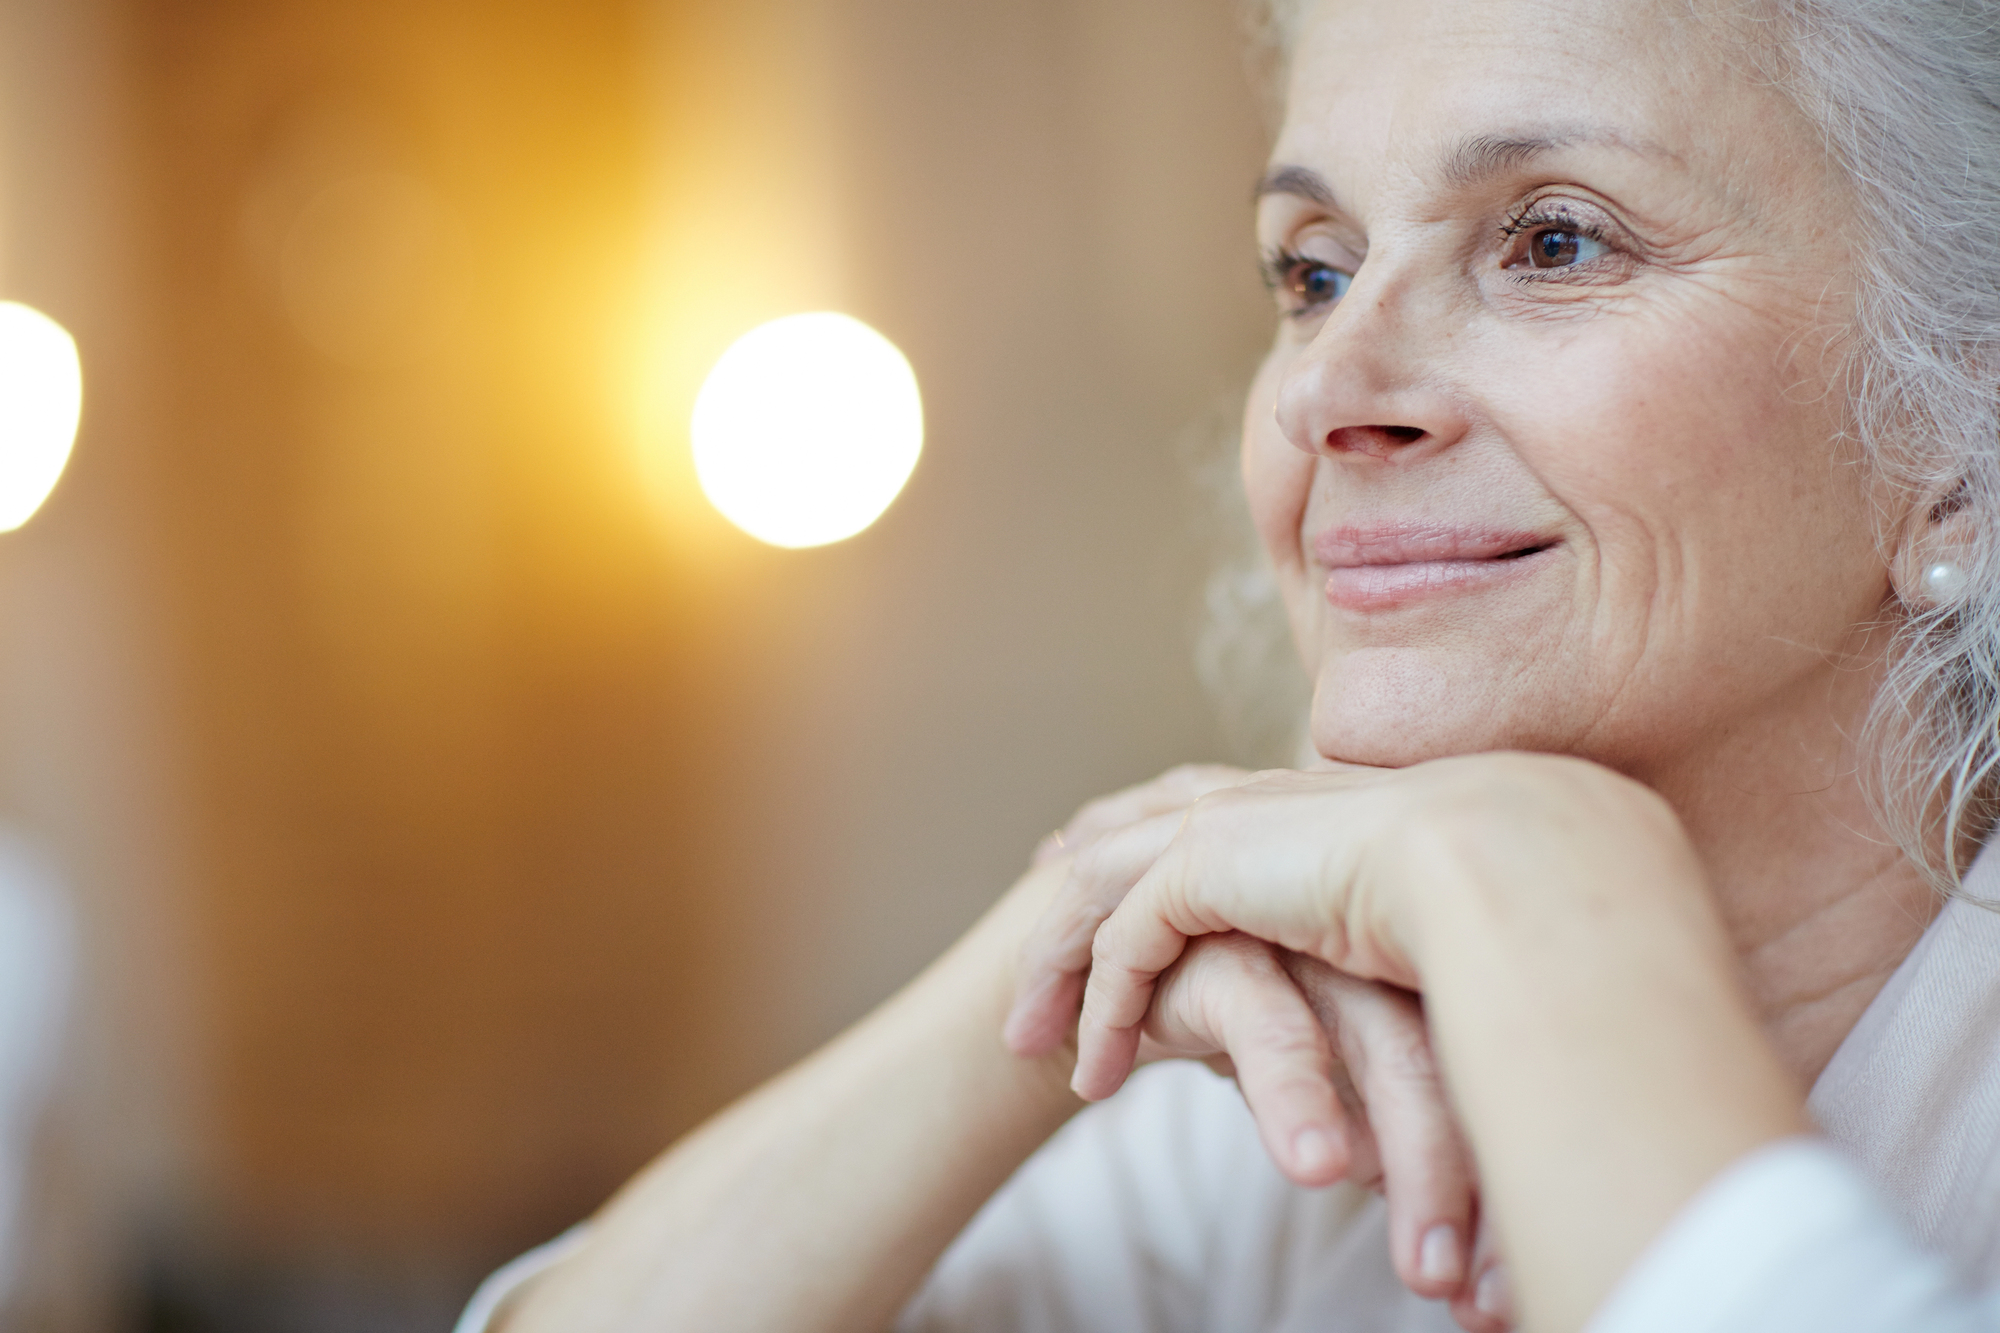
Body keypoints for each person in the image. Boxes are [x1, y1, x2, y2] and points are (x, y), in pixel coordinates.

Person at [457, 0, 2000, 1328]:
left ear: (1957, 449)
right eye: (1314, 270)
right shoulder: (1304, 1098)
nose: (1326, 384)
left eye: (1553, 240)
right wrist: (1058, 938)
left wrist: (1540, 893)